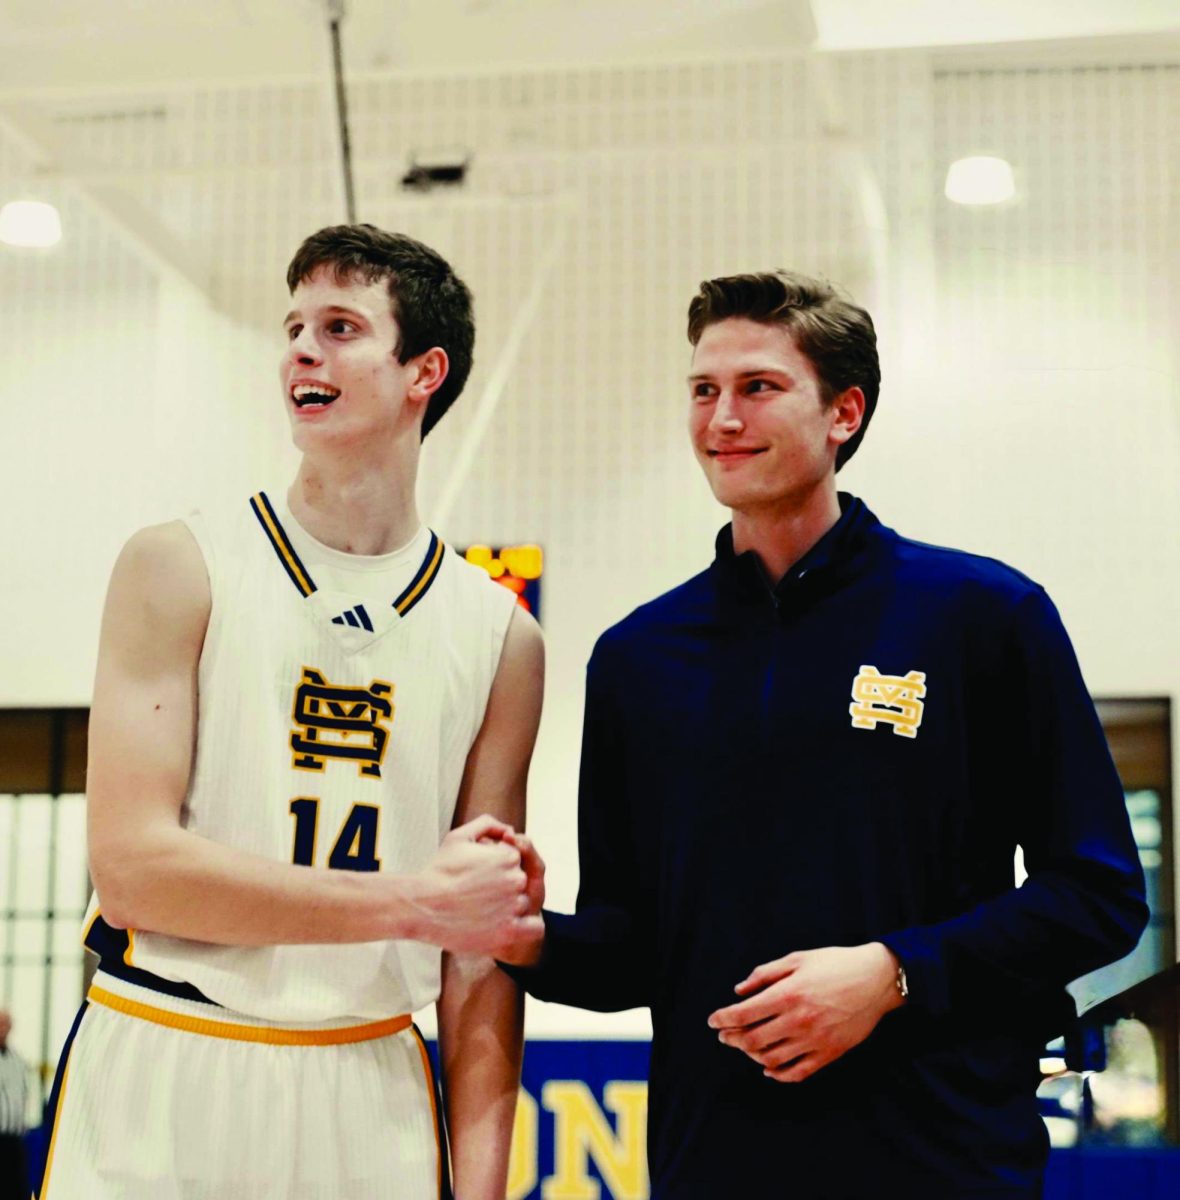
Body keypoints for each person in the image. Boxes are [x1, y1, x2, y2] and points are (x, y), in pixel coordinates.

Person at [501, 272, 1148, 1197]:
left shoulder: (983, 617)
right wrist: (526, 938)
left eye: (757, 387)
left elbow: (1098, 894)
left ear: (845, 412)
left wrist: (894, 975)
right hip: (716, 1163)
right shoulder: (637, 659)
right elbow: (635, 950)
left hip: (943, 1160)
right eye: (702, 391)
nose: (721, 418)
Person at [37, 224, 545, 1200]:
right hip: (167, 1052)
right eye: (294, 327)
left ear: (422, 372)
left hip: (371, 1083)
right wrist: (410, 905)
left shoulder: (500, 636)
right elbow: (138, 874)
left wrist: (481, 1190)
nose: (301, 351)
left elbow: (480, 957)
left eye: (341, 326)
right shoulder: (177, 563)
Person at [0, 1010, 29, 1200]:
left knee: (14, 1190)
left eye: (6, 1025)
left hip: (14, 1140)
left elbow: (24, 1093)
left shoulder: (18, 1060)